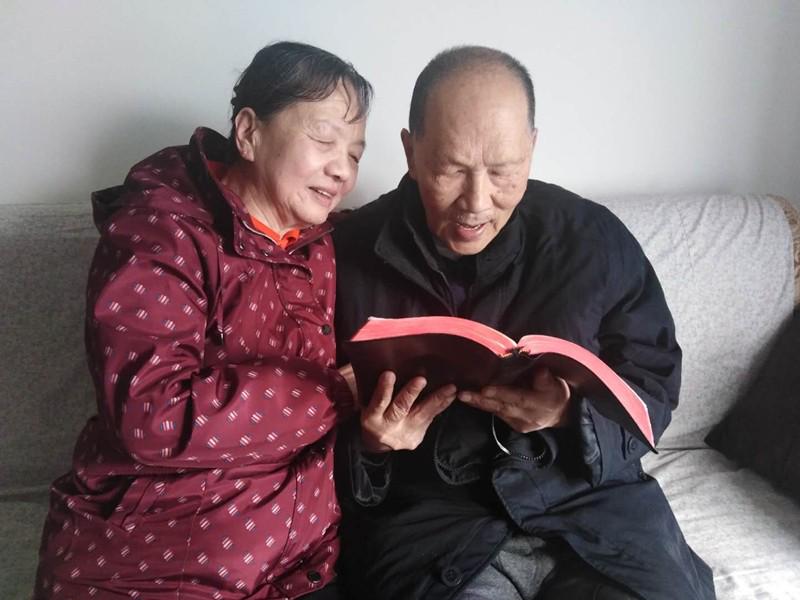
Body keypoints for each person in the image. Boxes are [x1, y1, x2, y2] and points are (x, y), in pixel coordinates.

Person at [332, 46, 715, 600]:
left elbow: (653, 383)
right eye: (450, 170)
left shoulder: (592, 240)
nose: (476, 201)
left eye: (503, 171)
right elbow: (299, 419)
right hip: (436, 524)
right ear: (410, 151)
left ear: (532, 150)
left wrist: (569, 415)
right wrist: (370, 444)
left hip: (590, 508)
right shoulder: (348, 254)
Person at [34, 41, 370, 600]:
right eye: (324, 140)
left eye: (356, 154)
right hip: (147, 560)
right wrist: (332, 395)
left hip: (298, 564)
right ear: (249, 132)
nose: (342, 169)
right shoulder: (161, 231)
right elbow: (152, 414)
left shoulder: (323, 245)